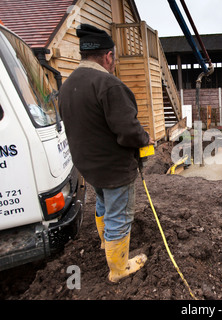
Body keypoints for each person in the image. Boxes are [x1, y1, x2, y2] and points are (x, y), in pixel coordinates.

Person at [59, 24, 153, 283]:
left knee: (102, 204)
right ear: (108, 56)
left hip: (88, 166)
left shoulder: (68, 86)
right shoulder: (108, 85)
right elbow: (128, 131)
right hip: (113, 168)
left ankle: (105, 243)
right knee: (119, 215)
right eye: (114, 59)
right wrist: (145, 139)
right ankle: (118, 269)